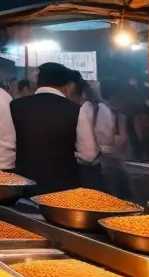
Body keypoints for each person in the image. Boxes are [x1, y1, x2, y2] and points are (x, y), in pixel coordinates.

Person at [11, 63, 94, 194]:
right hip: (63, 188)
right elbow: (89, 154)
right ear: (67, 86)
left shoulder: (15, 106)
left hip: (22, 184)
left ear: (38, 83)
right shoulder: (76, 110)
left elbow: (9, 144)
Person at [95, 81, 134, 199]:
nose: (127, 100)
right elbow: (120, 144)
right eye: (123, 96)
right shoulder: (106, 115)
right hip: (109, 168)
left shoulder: (118, 115)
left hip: (117, 167)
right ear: (114, 96)